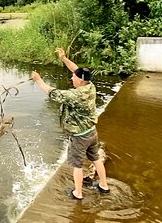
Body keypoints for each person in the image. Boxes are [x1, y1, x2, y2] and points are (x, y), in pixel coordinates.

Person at [31, 47, 109, 200]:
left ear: (79, 81)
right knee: (95, 158)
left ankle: (77, 193)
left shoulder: (75, 95)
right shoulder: (90, 86)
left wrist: (39, 80)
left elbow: (52, 92)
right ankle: (104, 186)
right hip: (92, 132)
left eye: (74, 77)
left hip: (80, 137)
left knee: (77, 165)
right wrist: (63, 58)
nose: (71, 78)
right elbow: (76, 69)